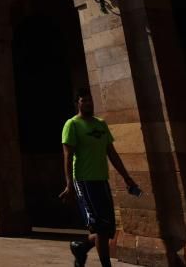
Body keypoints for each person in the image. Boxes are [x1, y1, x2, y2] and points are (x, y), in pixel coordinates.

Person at [59, 88, 139, 267]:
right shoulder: (72, 124)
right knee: (99, 226)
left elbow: (111, 152)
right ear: (77, 103)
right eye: (84, 101)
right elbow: (68, 156)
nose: (88, 103)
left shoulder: (101, 124)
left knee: (107, 228)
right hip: (84, 181)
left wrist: (126, 177)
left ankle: (82, 246)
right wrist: (69, 184)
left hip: (101, 180)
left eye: (90, 100)